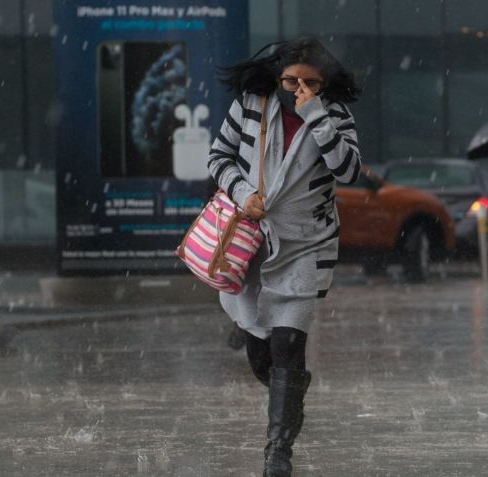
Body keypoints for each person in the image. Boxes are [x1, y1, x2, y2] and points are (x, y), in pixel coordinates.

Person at [208, 37, 361, 476]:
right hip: (252, 241)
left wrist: (316, 115)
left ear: (323, 83)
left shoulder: (334, 116)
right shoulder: (250, 104)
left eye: (309, 83)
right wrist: (243, 193)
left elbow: (348, 170)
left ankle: (278, 451)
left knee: (288, 344)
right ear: (277, 76)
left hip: (306, 245)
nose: (297, 90)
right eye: (290, 80)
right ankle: (290, 393)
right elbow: (219, 157)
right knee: (262, 355)